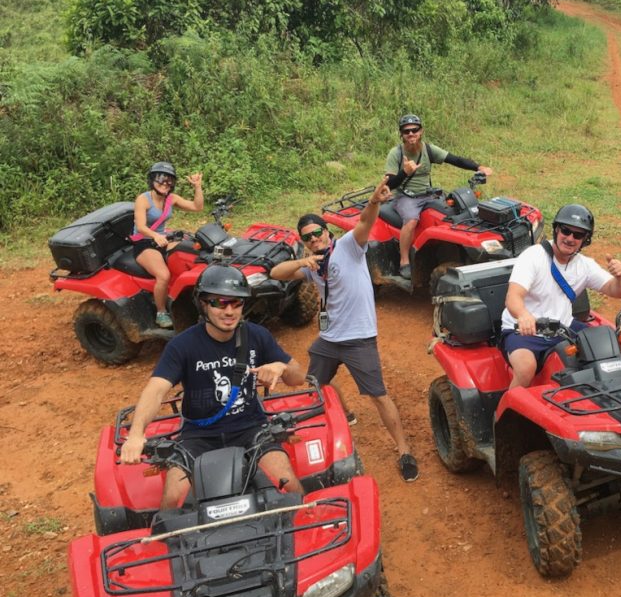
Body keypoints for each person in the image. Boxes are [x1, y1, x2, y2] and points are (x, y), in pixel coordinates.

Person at [270, 178, 419, 483]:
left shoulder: (350, 246)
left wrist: (375, 201)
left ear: (328, 232)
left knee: (378, 395)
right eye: (307, 238)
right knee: (315, 383)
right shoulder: (314, 265)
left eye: (317, 234)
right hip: (329, 338)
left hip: (359, 339)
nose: (314, 240)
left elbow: (365, 221)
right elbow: (276, 273)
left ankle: (404, 450)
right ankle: (346, 412)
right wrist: (304, 261)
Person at [120, 265, 306, 509]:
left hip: (251, 428)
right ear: (203, 305)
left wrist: (281, 367)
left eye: (236, 303)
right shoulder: (182, 346)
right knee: (172, 501)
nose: (229, 311)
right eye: (219, 302)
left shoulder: (257, 336)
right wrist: (135, 435)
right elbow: (155, 389)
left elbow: (299, 376)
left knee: (289, 484)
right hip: (198, 436)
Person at [500, 204, 621, 389]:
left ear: (585, 239)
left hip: (564, 327)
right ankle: (505, 414)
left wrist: (619, 276)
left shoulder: (585, 265)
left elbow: (618, 291)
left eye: (578, 235)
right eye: (565, 231)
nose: (570, 238)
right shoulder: (533, 257)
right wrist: (523, 315)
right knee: (526, 368)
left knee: (608, 353)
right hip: (524, 330)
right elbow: (513, 296)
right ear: (556, 229)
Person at [384, 113, 493, 280]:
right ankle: (404, 260)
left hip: (428, 195)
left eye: (415, 130)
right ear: (401, 134)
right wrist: (404, 172)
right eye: (407, 131)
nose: (411, 134)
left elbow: (454, 159)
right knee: (412, 220)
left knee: (452, 215)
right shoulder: (396, 153)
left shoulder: (428, 149)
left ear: (421, 131)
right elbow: (389, 184)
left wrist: (478, 167)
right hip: (406, 197)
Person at [131, 162, 204, 329]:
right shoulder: (143, 199)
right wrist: (155, 235)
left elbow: (197, 207)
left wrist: (197, 187)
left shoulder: (171, 198)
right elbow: (141, 226)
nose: (165, 183)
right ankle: (161, 312)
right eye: (160, 179)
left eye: (169, 180)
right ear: (152, 180)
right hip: (144, 242)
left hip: (163, 239)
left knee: (191, 254)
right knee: (163, 275)